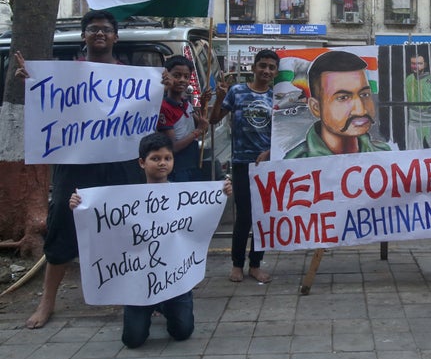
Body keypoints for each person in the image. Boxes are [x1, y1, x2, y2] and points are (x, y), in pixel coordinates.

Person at [19, 9, 146, 329]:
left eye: (105, 29)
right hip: (75, 165)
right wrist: (34, 83)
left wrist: (161, 85)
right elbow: (48, 106)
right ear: (84, 36)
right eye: (93, 29)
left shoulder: (131, 77)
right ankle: (47, 301)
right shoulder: (66, 74)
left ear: (115, 37)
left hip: (120, 164)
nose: (99, 34)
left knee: (127, 226)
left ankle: (134, 293)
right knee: (63, 222)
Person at [69, 133, 233, 348]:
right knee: (133, 340)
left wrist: (222, 193)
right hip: (137, 279)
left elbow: (201, 215)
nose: (162, 163)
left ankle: (165, 305)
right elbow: (104, 219)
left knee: (182, 332)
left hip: (175, 277)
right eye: (156, 158)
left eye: (167, 158)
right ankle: (149, 305)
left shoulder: (184, 195)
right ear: (142, 162)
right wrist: (79, 205)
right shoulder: (125, 198)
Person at [209, 49, 279, 283]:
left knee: (262, 217)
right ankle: (237, 264)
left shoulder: (276, 98)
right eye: (263, 65)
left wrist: (270, 152)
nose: (266, 70)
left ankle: (256, 264)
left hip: (266, 166)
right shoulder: (237, 92)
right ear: (253, 68)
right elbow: (214, 119)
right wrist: (219, 97)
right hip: (241, 163)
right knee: (244, 217)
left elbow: (281, 133)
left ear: (276, 72)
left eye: (271, 67)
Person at [284, 50, 391, 158]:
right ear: (316, 108)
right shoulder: (294, 162)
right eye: (343, 98)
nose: (361, 110)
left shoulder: (384, 153)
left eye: (364, 95)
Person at [157, 55, 210, 182]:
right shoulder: (163, 107)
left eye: (186, 77)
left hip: (192, 163)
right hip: (177, 168)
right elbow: (173, 147)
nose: (182, 80)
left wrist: (203, 104)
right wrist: (197, 132)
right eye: (177, 75)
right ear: (167, 75)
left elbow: (203, 127)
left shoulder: (185, 103)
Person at [404, 51, 431, 149]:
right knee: (413, 151)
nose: (416, 66)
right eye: (413, 63)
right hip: (414, 120)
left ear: (425, 64)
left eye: (419, 63)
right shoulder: (408, 79)